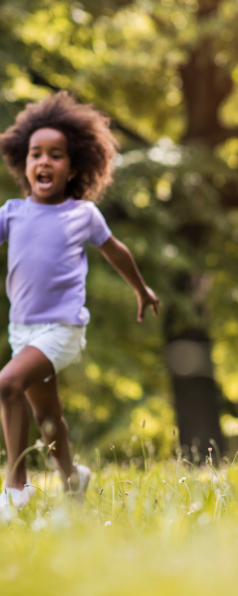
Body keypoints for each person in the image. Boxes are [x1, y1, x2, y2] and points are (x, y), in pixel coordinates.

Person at [0, 92, 160, 511]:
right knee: (48, 419)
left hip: (63, 328)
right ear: (24, 162)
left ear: (74, 167)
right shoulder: (12, 213)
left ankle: (16, 487)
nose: (44, 162)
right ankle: (73, 479)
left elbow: (118, 252)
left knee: (6, 384)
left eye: (56, 155)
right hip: (24, 330)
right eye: (36, 154)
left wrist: (141, 291)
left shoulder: (82, 215)